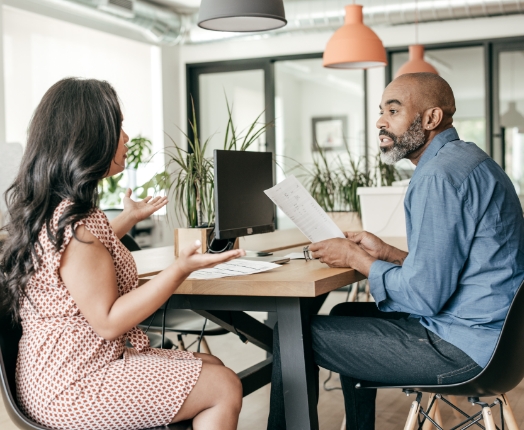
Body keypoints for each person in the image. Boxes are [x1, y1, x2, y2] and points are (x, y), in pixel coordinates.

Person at [267, 72, 524, 429]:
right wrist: (387, 253)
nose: (380, 122)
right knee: (345, 313)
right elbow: (453, 269)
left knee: (292, 335)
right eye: (381, 111)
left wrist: (357, 258)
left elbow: (425, 297)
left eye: (393, 110)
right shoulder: (471, 160)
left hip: (462, 351)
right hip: (502, 346)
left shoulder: (437, 176)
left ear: (431, 119)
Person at [0, 78, 246, 430]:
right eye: (118, 127)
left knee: (213, 365)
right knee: (224, 386)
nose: (126, 138)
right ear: (89, 139)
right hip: (72, 385)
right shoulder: (75, 224)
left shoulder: (66, 211)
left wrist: (128, 217)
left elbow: (84, 262)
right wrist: (180, 268)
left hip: (57, 370)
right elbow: (110, 320)